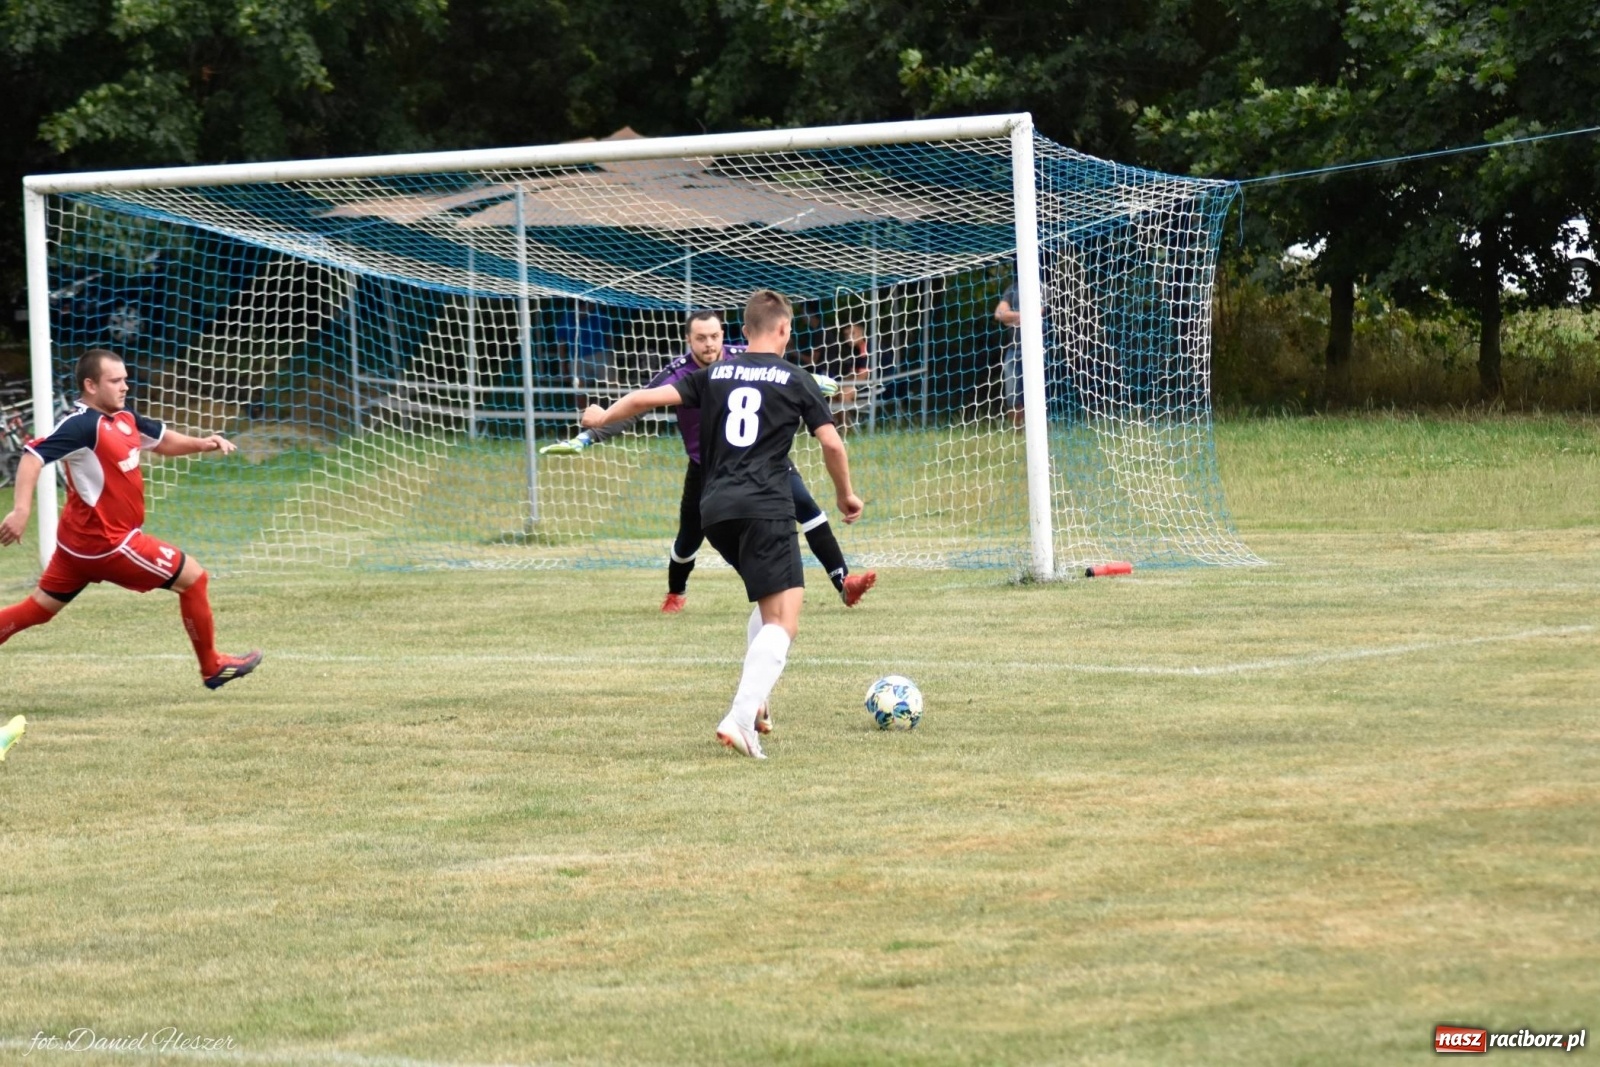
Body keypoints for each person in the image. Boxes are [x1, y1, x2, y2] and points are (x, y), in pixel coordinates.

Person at [580, 290, 863, 759]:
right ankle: (739, 716)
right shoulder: (794, 377)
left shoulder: (711, 375)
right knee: (785, 620)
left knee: (770, 603)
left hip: (715, 510)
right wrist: (845, 494)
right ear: (783, 330)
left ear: (742, 332)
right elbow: (832, 445)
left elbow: (644, 398)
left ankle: (756, 706)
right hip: (766, 507)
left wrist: (600, 417)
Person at [545, 309, 875, 614]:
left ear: (725, 335)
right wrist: (589, 436)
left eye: (715, 336)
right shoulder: (682, 373)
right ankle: (676, 592)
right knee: (688, 539)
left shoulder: (737, 358)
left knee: (808, 508)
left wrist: (813, 381)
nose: (709, 343)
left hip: (765, 460)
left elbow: (777, 373)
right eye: (701, 338)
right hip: (709, 469)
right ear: (689, 341)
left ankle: (843, 580)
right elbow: (639, 404)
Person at [0, 348, 262, 690]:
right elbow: (33, 456)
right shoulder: (81, 425)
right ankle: (211, 666)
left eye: (125, 379)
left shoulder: (124, 418)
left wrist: (203, 443)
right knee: (194, 579)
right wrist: (21, 510)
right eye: (115, 381)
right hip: (110, 543)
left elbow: (162, 441)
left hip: (78, 545)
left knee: (38, 610)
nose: (125, 386)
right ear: (91, 385)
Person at [993, 280, 1024, 428]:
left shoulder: (1042, 288)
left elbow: (1038, 312)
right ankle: (1017, 433)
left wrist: (1009, 317)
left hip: (1039, 348)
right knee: (1012, 394)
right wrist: (1021, 316)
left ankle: (1042, 431)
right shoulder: (1013, 288)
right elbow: (999, 314)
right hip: (1013, 348)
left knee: (1038, 392)